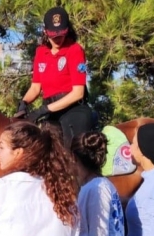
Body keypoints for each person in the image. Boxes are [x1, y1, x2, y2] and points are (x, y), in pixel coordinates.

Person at [14, 6, 95, 146]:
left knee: (74, 155)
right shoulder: (41, 52)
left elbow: (78, 93)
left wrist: (43, 110)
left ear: (67, 30)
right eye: (53, 35)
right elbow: (35, 87)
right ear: (45, 32)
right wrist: (24, 103)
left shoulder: (75, 50)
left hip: (73, 110)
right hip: (51, 113)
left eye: (61, 34)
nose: (57, 39)